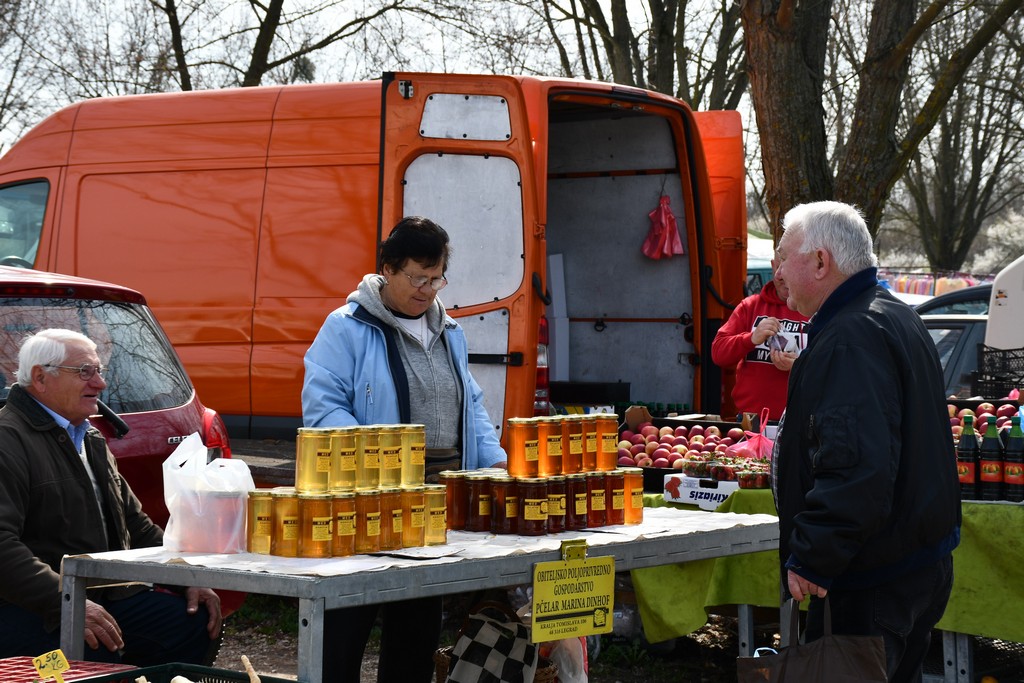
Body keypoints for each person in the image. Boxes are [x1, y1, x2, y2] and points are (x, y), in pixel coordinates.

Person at [303, 215, 507, 683]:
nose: (428, 289)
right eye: (417, 277)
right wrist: (379, 460)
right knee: (348, 622)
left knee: (416, 627)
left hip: (434, 500)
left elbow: (469, 403)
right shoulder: (346, 326)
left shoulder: (448, 330)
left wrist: (494, 461)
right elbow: (323, 407)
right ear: (388, 269)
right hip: (368, 500)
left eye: (436, 279)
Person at [771, 201, 961, 683]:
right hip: (911, 566)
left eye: (784, 255)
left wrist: (815, 554)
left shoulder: (852, 334)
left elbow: (857, 465)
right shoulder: (891, 313)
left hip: (872, 576)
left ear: (819, 262)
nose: (777, 270)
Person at [0, 328, 222, 662]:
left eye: (99, 371)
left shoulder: (89, 437)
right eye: (84, 372)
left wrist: (186, 576)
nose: (100, 384)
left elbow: (135, 523)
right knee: (99, 648)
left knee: (192, 622)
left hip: (104, 594)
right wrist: (66, 601)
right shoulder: (8, 439)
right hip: (30, 604)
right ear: (41, 378)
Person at [711, 257, 809, 420]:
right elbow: (718, 352)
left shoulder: (816, 310)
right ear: (773, 266)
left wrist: (798, 366)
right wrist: (751, 339)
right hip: (751, 420)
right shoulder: (750, 306)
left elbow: (834, 369)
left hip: (800, 421)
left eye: (790, 268)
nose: (784, 276)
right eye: (779, 267)